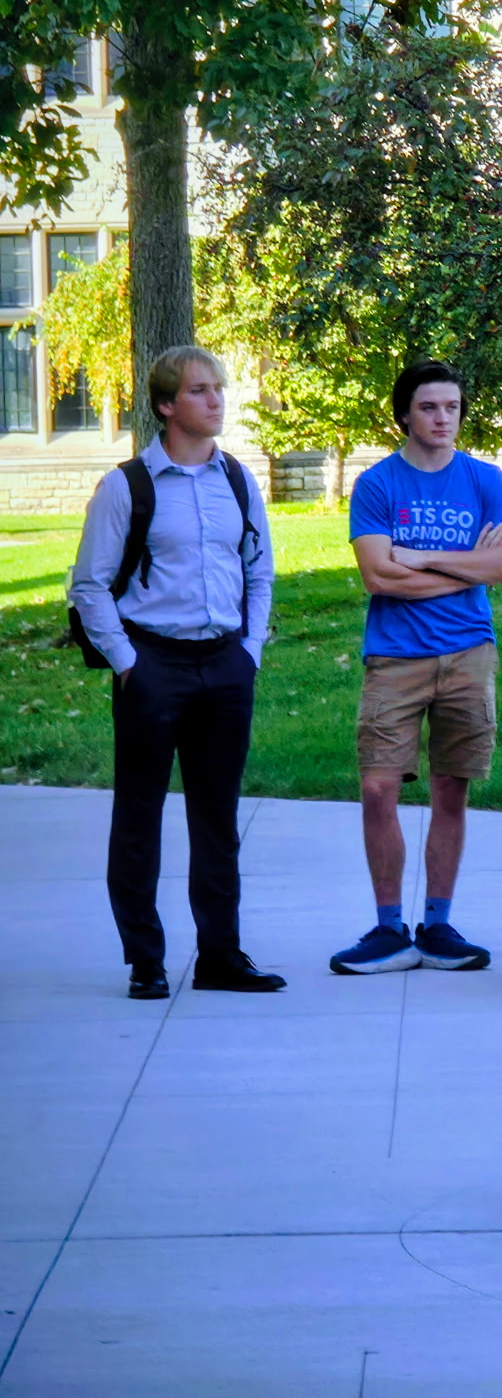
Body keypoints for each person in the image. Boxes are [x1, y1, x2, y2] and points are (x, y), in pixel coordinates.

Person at [69, 346, 282, 998]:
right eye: (199, 390)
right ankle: (146, 961)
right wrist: (129, 663)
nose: (215, 400)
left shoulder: (238, 481)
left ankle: (220, 955)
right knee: (139, 816)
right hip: (152, 664)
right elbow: (90, 585)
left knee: (217, 817)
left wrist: (249, 651)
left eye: (218, 388)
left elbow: (259, 570)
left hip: (225, 665)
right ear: (166, 405)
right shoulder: (125, 487)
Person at [331, 362, 502, 977]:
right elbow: (377, 575)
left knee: (452, 788)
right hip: (394, 656)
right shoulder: (377, 484)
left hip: (470, 652)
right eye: (430, 408)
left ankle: (438, 924)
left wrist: (418, 556)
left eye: (452, 407)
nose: (443, 419)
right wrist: (469, 561)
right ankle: (389, 928)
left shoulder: (484, 480)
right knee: (377, 788)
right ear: (405, 415)